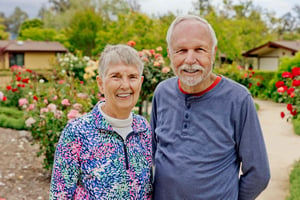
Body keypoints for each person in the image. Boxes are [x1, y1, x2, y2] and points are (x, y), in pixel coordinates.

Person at [150, 15, 270, 200]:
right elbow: (152, 152)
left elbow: (259, 174)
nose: (190, 59)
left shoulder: (238, 99)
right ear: (169, 53)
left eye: (199, 49)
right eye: (181, 50)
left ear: (213, 52)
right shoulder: (162, 93)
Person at [49, 44, 152, 199]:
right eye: (115, 76)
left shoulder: (143, 129)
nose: (125, 85)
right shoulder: (77, 132)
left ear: (140, 82)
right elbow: (60, 194)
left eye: (132, 77)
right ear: (100, 83)